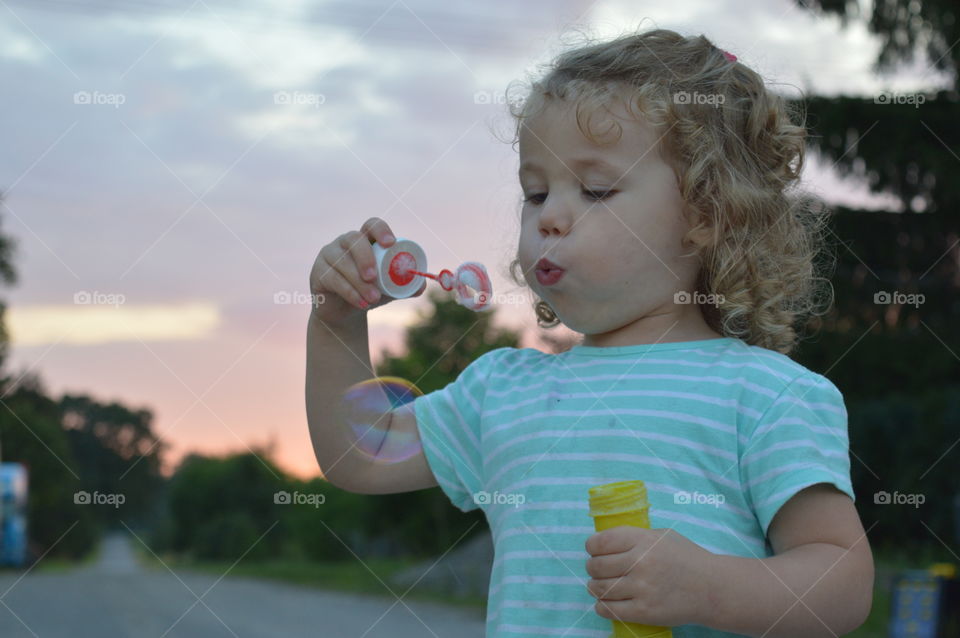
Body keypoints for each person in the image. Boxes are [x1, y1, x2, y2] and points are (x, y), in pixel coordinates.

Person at [306, 27, 874, 638]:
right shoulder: (503, 390)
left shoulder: (765, 395)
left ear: (706, 215)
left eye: (597, 189)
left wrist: (711, 589)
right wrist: (335, 319)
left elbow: (842, 583)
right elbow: (359, 455)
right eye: (536, 191)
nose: (549, 216)